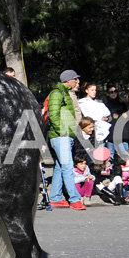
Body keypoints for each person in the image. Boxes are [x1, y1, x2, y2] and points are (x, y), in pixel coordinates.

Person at [46, 70, 85, 210]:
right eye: (75, 79)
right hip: (61, 135)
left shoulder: (65, 92)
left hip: (66, 135)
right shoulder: (57, 93)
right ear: (68, 80)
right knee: (68, 167)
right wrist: (62, 130)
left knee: (59, 166)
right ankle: (75, 199)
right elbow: (53, 115)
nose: (77, 81)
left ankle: (55, 198)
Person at [78, 82, 112, 147]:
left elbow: (108, 116)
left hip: (100, 130)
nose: (94, 92)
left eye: (95, 90)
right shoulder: (82, 103)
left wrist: (106, 118)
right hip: (89, 131)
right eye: (92, 90)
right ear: (86, 91)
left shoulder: (99, 102)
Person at [103, 84, 129, 158]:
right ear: (107, 94)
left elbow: (126, 117)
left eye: (115, 91)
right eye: (111, 92)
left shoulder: (122, 104)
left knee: (125, 156)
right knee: (110, 156)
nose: (113, 93)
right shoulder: (104, 105)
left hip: (122, 134)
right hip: (110, 134)